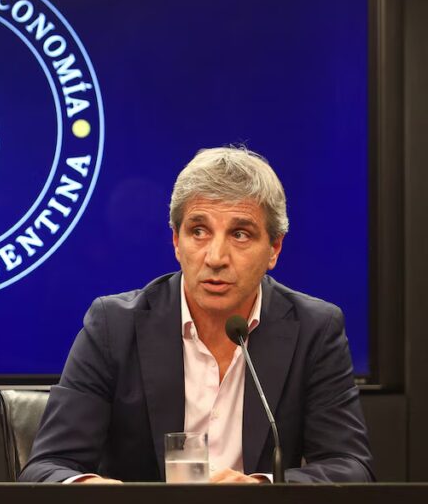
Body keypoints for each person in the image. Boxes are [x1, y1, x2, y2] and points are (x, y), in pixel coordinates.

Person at [20, 146, 373, 484]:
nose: (215, 257)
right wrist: (92, 488)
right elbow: (46, 467)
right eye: (198, 231)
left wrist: (260, 488)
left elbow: (351, 467)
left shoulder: (314, 329)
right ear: (177, 241)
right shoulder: (114, 326)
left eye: (240, 234)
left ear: (274, 249)